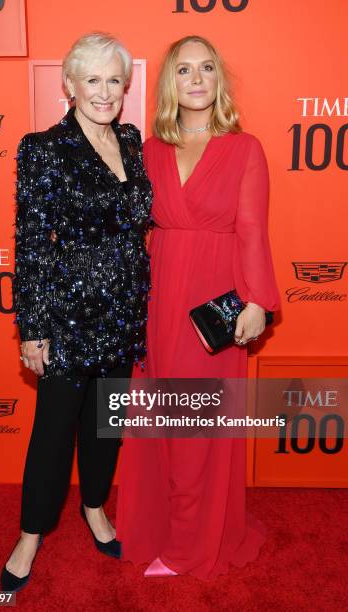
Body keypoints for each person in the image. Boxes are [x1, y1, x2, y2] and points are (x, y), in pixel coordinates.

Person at [116, 35, 281, 580]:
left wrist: (257, 301)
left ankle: (189, 547)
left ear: (218, 79)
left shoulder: (244, 148)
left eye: (206, 67)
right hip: (158, 295)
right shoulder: (150, 149)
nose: (196, 78)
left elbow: (253, 229)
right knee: (157, 419)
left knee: (194, 427)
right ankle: (157, 527)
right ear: (169, 82)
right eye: (183, 69)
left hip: (213, 301)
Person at [0, 32, 152, 592]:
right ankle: (30, 534)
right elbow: (32, 242)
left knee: (105, 424)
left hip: (125, 308)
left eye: (114, 79)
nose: (104, 91)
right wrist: (33, 328)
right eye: (92, 79)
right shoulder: (41, 148)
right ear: (69, 86)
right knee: (53, 430)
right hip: (67, 312)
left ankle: (94, 507)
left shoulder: (132, 140)